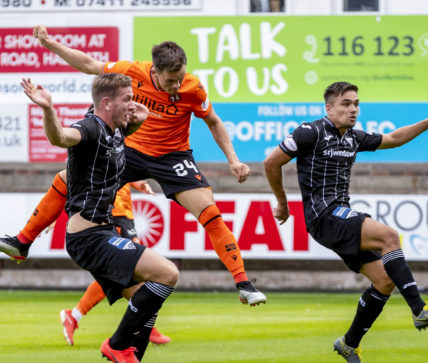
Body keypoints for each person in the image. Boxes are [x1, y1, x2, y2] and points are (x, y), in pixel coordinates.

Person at [0, 25, 266, 306]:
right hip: (132, 150)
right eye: (171, 80)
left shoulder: (193, 87)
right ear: (155, 71)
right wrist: (50, 43)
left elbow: (213, 121)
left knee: (210, 213)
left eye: (180, 78)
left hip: (173, 157)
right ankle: (22, 242)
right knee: (66, 178)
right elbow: (90, 64)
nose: (177, 85)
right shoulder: (131, 71)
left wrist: (234, 160)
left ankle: (243, 283)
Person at [263, 81, 428, 362]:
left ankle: (349, 343)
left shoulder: (353, 137)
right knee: (389, 236)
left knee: (385, 281)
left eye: (356, 103)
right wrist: (282, 202)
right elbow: (271, 162)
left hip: (339, 215)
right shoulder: (310, 132)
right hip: (324, 216)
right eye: (346, 104)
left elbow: (394, 139)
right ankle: (419, 309)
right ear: (328, 108)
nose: (353, 109)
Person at [21, 73, 177, 362]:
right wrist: (48, 109)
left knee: (147, 302)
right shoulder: (90, 126)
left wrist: (139, 120)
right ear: (106, 103)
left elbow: (113, 154)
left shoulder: (115, 131)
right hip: (88, 238)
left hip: (101, 234)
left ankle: (126, 355)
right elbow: (61, 137)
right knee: (167, 273)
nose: (132, 104)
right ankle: (116, 345)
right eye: (127, 99)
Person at [59, 181, 172, 346]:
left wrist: (139, 184)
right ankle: (144, 327)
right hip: (113, 214)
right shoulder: (92, 159)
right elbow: (72, 180)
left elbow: (125, 168)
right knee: (127, 271)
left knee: (121, 273)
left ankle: (74, 315)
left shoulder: (118, 157)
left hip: (124, 215)